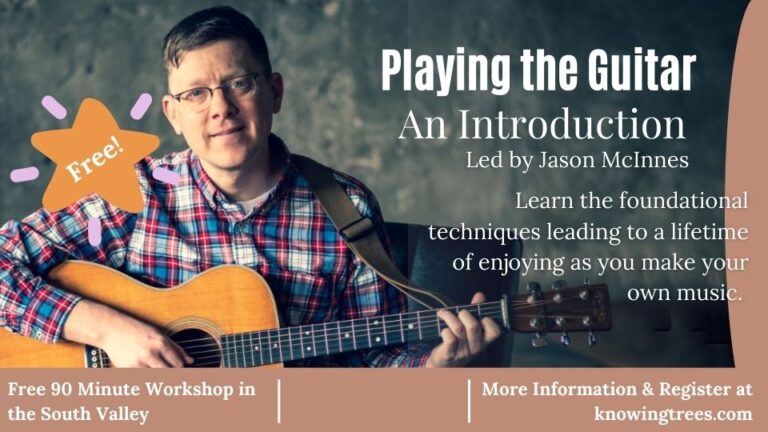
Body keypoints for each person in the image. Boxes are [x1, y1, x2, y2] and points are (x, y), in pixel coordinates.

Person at [0, 6, 500, 367]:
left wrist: (433, 370)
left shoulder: (345, 207)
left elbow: (372, 358)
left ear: (274, 92)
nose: (220, 108)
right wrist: (109, 331)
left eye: (239, 83)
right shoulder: (136, 193)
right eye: (196, 94)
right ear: (173, 114)